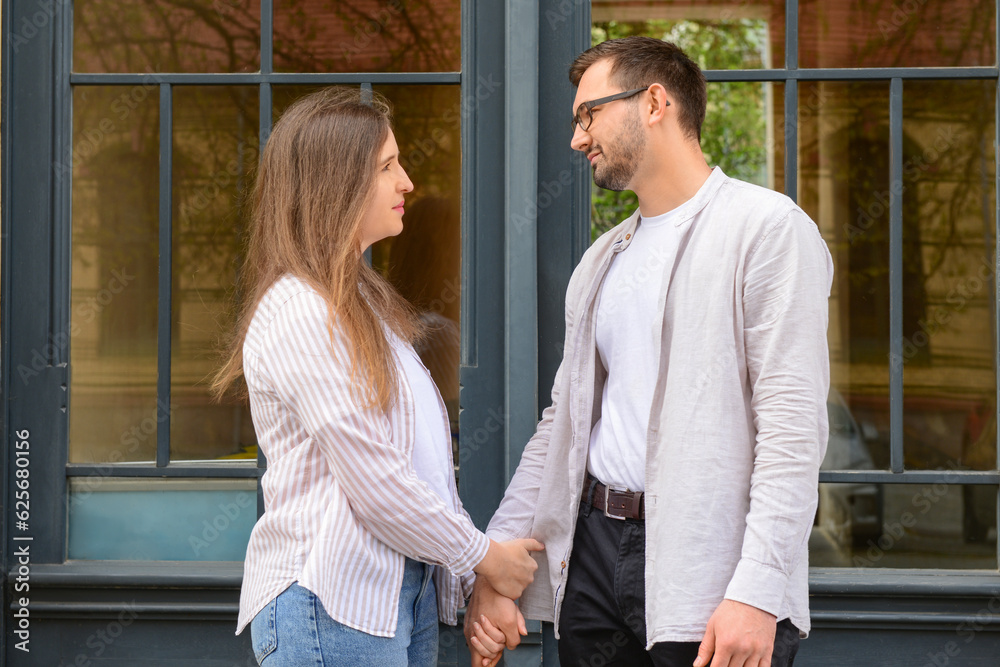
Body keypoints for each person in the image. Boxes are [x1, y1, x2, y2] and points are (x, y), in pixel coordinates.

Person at [465, 36, 834, 667]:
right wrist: (498, 563)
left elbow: (792, 427)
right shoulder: (602, 260)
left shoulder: (766, 230)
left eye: (589, 114)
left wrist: (758, 589)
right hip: (593, 561)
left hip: (711, 575)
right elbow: (563, 425)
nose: (578, 138)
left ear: (654, 101)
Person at [210, 87, 543, 667]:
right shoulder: (302, 312)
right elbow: (377, 483)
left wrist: (472, 585)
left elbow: (420, 467)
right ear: (336, 184)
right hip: (330, 607)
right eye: (387, 166)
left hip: (389, 601)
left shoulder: (360, 303)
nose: (407, 181)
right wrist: (485, 558)